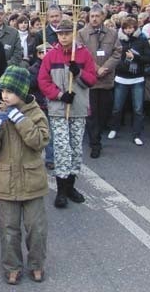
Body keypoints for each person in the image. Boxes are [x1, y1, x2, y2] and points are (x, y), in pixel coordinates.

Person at [0, 66, 49, 285]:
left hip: (32, 181)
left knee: (36, 229)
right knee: (9, 230)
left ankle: (36, 264)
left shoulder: (36, 113)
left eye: (10, 91)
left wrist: (20, 120)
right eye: (3, 91)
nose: (5, 95)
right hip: (5, 181)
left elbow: (39, 141)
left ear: (22, 91)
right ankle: (12, 267)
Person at [38, 20, 97, 208]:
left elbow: (92, 79)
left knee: (75, 148)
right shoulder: (51, 55)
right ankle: (61, 190)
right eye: (60, 34)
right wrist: (60, 95)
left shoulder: (83, 54)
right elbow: (43, 81)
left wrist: (78, 73)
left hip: (78, 109)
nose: (63, 37)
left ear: (73, 34)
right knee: (62, 148)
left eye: (66, 33)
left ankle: (71, 186)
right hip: (58, 109)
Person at [77, 5, 122, 158]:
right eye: (92, 16)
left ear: (103, 17)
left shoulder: (112, 33)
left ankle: (98, 135)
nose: (94, 19)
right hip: (90, 81)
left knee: (104, 112)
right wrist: (96, 68)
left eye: (97, 16)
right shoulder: (82, 33)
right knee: (92, 115)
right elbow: (81, 53)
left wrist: (106, 68)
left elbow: (117, 53)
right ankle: (95, 143)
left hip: (106, 79)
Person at [107, 17, 150, 145]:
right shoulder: (118, 39)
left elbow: (148, 58)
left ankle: (136, 134)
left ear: (135, 28)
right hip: (121, 77)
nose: (128, 30)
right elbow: (114, 56)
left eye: (131, 28)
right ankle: (114, 128)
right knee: (117, 107)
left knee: (138, 108)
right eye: (126, 28)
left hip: (137, 78)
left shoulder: (142, 39)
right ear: (123, 28)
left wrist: (135, 57)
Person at [29, 42, 55, 169]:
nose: (47, 54)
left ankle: (51, 158)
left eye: (50, 51)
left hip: (53, 103)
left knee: (51, 132)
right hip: (39, 104)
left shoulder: (55, 67)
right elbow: (32, 85)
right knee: (38, 132)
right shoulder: (33, 69)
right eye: (44, 52)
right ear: (39, 54)